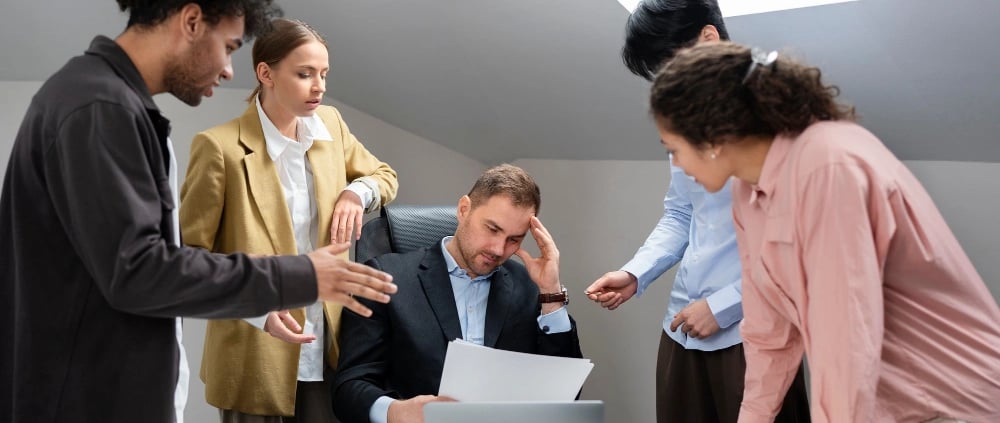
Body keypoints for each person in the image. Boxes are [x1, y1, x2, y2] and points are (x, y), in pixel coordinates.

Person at [0, 3, 399, 423]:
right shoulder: (101, 108)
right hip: (88, 398)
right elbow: (142, 270)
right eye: (227, 46)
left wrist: (356, 194)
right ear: (191, 21)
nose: (229, 70)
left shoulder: (107, 101)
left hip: (101, 389)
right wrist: (300, 276)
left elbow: (142, 263)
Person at [649, 41, 1000, 422]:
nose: (677, 165)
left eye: (673, 148)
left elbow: (845, 339)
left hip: (955, 403)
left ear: (713, 139)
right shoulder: (748, 190)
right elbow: (769, 333)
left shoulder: (828, 166)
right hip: (884, 405)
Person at [586, 1, 809, 422]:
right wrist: (637, 272)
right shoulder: (685, 118)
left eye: (671, 67)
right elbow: (681, 214)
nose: (669, 83)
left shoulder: (778, 113)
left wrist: (724, 306)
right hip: (682, 326)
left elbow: (802, 242)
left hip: (753, 332)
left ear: (708, 38)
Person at [179, 17, 398, 423]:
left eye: (324, 74)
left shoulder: (330, 126)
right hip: (252, 353)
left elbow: (385, 176)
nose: (320, 86)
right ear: (266, 73)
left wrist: (355, 192)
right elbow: (191, 260)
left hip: (327, 342)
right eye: (305, 74)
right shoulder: (219, 149)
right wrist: (258, 309)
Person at [331, 164, 584, 423]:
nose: (498, 249)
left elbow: (567, 398)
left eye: (514, 240)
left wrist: (551, 294)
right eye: (492, 229)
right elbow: (349, 387)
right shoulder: (384, 278)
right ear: (464, 210)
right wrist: (394, 411)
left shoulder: (528, 286)